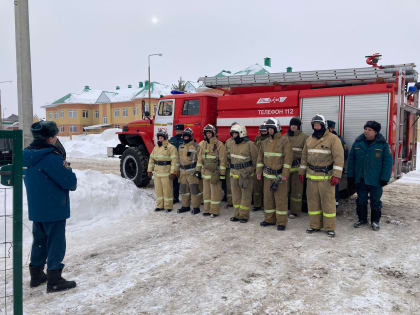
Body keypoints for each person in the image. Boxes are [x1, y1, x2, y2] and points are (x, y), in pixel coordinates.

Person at [24, 121, 77, 293]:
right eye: (55, 135)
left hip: (37, 208)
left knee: (39, 242)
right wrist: (66, 163)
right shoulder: (52, 158)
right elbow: (70, 182)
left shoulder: (27, 155)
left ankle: (37, 274)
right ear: (50, 138)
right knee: (56, 243)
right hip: (54, 208)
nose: (57, 138)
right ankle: (54, 279)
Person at [299, 114, 344, 238]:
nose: (316, 127)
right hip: (311, 177)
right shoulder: (309, 140)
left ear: (323, 125)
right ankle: (314, 225)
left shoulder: (333, 139)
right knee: (313, 203)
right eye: (315, 125)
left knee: (328, 203)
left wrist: (336, 175)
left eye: (319, 124)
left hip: (326, 178)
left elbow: (339, 158)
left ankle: (329, 227)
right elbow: (304, 157)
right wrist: (301, 172)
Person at [347, 121, 393, 231]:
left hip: (376, 180)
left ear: (375, 132)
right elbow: (351, 160)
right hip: (361, 179)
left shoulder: (383, 145)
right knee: (361, 200)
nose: (366, 131)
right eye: (365, 129)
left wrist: (385, 178)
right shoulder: (358, 143)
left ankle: (375, 221)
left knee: (375, 202)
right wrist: (350, 176)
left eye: (369, 130)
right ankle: (362, 219)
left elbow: (388, 162)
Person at [256, 118, 293, 231]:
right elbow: (260, 158)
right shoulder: (264, 142)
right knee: (268, 199)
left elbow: (288, 158)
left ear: (277, 129)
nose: (270, 131)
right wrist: (258, 172)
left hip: (279, 177)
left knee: (280, 200)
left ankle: (281, 222)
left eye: (272, 128)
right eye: (268, 129)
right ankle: (269, 219)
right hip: (267, 176)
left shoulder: (284, 141)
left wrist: (285, 174)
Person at [194, 124, 227, 218]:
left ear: (213, 133)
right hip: (205, 174)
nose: (208, 134)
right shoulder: (202, 144)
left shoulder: (219, 145)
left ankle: (215, 211)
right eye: (206, 133)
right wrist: (197, 171)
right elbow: (199, 159)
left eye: (209, 133)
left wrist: (222, 174)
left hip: (214, 173)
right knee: (206, 193)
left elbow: (223, 160)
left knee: (215, 194)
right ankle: (207, 210)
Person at [228, 124, 258, 223]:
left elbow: (256, 160)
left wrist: (249, 171)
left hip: (245, 175)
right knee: (236, 197)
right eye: (232, 134)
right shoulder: (232, 144)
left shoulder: (250, 144)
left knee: (245, 196)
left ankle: (244, 216)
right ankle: (237, 215)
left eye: (235, 134)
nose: (233, 136)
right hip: (234, 175)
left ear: (241, 133)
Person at [147, 129, 178, 212]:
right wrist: (149, 170)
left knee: (167, 191)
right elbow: (151, 159)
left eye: (161, 137)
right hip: (157, 173)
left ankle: (168, 207)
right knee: (158, 191)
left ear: (165, 138)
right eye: (159, 138)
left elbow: (174, 162)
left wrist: (173, 172)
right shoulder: (156, 148)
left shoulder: (171, 148)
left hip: (166, 173)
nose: (160, 139)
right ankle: (160, 205)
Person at [286, 117, 308, 218]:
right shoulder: (285, 137)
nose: (293, 126)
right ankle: (284, 208)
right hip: (286, 168)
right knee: (284, 190)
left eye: (295, 124)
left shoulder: (304, 137)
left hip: (297, 168)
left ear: (299, 126)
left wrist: (303, 169)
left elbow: (306, 154)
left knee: (296, 191)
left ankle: (294, 211)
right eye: (292, 124)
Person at [177, 128, 201, 214]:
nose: (186, 137)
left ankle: (196, 207)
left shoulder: (196, 146)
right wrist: (177, 171)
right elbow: (178, 160)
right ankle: (185, 206)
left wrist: (198, 171)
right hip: (183, 172)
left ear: (191, 136)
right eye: (185, 136)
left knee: (194, 190)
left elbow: (200, 160)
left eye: (187, 136)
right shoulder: (181, 147)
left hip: (192, 172)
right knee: (184, 191)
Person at [326, 120, 349, 206]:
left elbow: (344, 155)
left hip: (333, 169)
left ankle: (334, 205)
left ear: (332, 129)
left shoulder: (338, 139)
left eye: (328, 128)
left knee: (334, 188)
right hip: (324, 169)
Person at [252, 124, 269, 211]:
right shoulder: (257, 139)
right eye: (261, 131)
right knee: (257, 186)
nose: (263, 133)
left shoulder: (270, 139)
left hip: (267, 165)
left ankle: (266, 204)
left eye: (264, 131)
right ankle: (257, 204)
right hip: (257, 165)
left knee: (266, 188)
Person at [169, 124, 184, 204]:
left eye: (180, 130)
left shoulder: (185, 138)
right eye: (177, 130)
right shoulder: (172, 140)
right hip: (175, 164)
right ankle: (175, 198)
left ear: (182, 131)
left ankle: (187, 199)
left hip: (183, 164)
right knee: (175, 182)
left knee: (184, 182)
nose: (178, 132)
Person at [224, 124, 237, 207]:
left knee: (237, 187)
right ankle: (230, 202)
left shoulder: (241, 141)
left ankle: (236, 202)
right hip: (229, 167)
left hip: (238, 167)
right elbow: (224, 154)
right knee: (229, 186)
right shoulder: (228, 141)